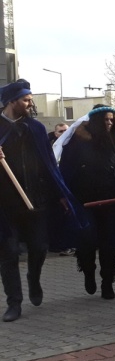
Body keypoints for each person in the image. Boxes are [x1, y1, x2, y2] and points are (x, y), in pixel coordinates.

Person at [0, 80, 80, 322]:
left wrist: (60, 196)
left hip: (36, 199)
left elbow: (49, 166)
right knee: (9, 252)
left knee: (39, 247)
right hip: (5, 204)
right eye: (25, 100)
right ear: (12, 101)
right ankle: (14, 302)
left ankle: (34, 278)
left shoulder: (34, 128)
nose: (30, 103)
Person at [59, 105, 115, 299]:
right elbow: (65, 169)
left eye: (112, 119)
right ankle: (88, 272)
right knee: (86, 239)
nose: (109, 123)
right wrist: (64, 195)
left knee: (109, 243)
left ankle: (107, 281)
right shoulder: (77, 141)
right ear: (96, 120)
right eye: (106, 119)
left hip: (112, 198)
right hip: (84, 199)